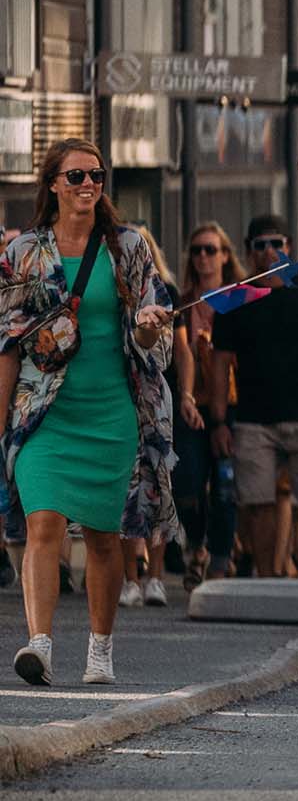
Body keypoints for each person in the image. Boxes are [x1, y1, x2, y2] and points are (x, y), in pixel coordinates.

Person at [3, 139, 175, 686]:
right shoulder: (24, 251)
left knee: (104, 536)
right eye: (75, 176)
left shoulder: (127, 247)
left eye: (96, 176)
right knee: (43, 522)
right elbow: (5, 341)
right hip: (44, 410)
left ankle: (99, 651)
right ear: (52, 183)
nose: (87, 186)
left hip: (112, 410)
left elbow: (153, 328)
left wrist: (149, 328)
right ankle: (39, 645)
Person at [210, 215, 298, 579]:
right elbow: (220, 362)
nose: (270, 252)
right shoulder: (235, 297)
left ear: (289, 247)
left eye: (277, 243)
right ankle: (267, 577)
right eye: (261, 245)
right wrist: (219, 421)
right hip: (252, 417)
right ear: (249, 251)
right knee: (258, 502)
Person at [117, 226, 193, 609]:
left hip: (154, 398)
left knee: (158, 483)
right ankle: (130, 578)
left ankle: (156, 578)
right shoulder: (111, 291)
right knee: (126, 488)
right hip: (117, 395)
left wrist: (186, 396)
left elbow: (177, 352)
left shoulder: (165, 294)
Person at [175, 223, 241, 590]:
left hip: (231, 405)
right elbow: (179, 352)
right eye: (197, 250)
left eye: (210, 250)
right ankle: (195, 545)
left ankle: (218, 561)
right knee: (187, 484)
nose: (203, 257)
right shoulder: (184, 301)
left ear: (225, 255)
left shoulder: (240, 300)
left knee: (225, 488)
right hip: (193, 405)